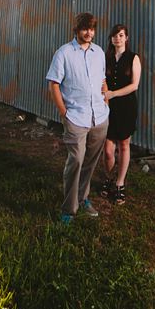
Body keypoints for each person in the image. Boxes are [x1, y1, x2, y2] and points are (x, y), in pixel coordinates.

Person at [46, 12, 109, 224]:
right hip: (76, 118)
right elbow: (54, 84)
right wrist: (64, 114)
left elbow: (102, 80)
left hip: (99, 117)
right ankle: (68, 210)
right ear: (76, 30)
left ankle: (83, 199)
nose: (89, 32)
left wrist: (105, 103)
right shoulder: (63, 53)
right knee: (76, 161)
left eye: (92, 29)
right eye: (85, 28)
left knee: (90, 162)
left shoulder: (98, 52)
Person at [102, 24, 141, 205]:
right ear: (111, 39)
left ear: (126, 38)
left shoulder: (133, 58)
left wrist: (114, 93)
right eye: (114, 36)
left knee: (124, 145)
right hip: (108, 106)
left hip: (126, 106)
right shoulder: (106, 57)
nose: (117, 38)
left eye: (121, 35)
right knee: (108, 151)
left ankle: (120, 184)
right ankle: (108, 178)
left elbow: (134, 85)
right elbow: (101, 80)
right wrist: (106, 95)